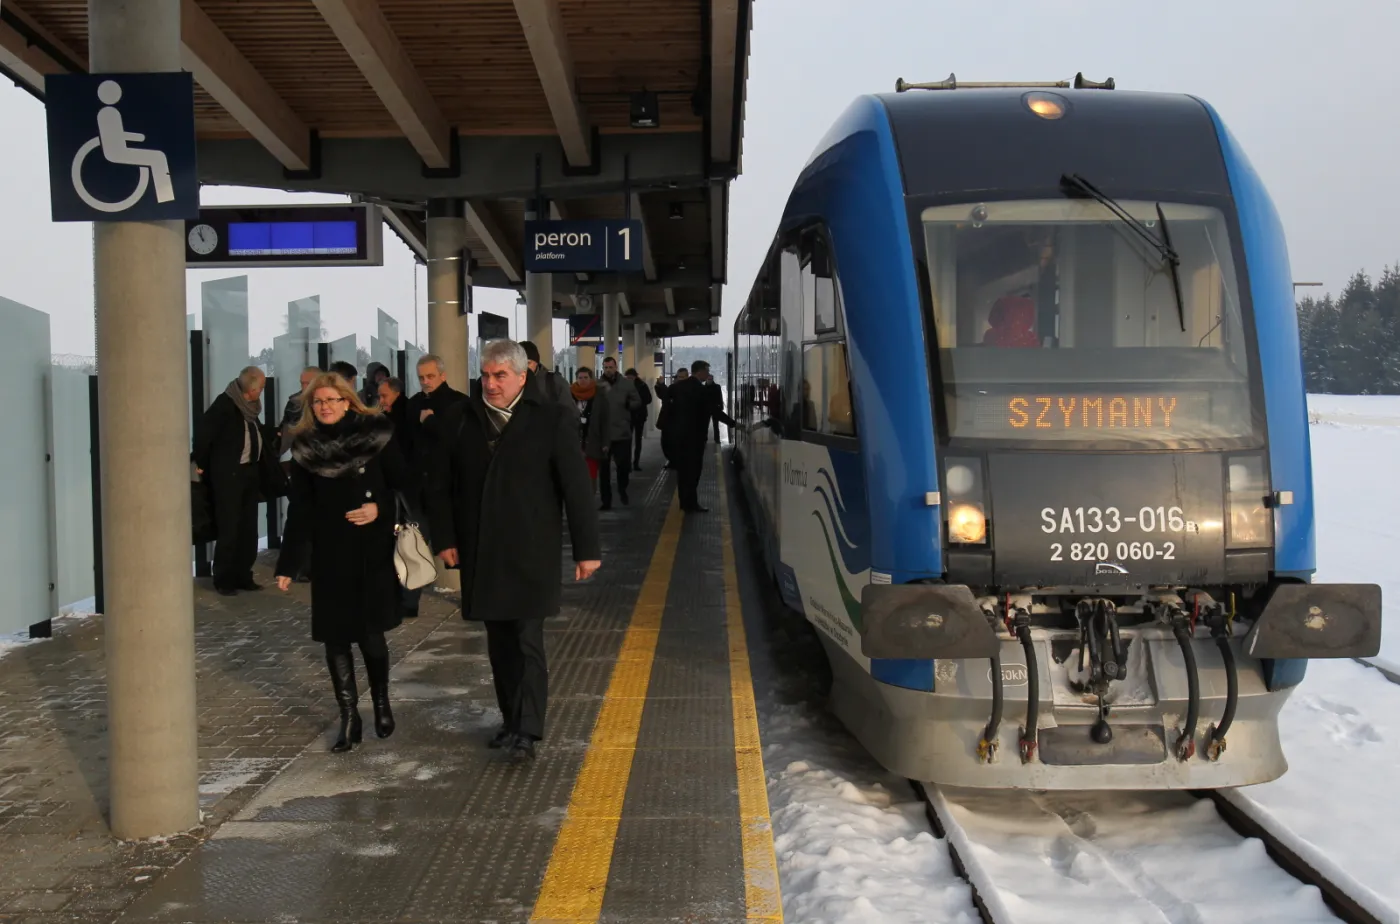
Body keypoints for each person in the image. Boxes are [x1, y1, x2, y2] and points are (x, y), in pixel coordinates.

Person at [428, 339, 601, 763]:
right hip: (481, 547)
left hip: (531, 548)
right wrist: (445, 539)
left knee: (527, 639)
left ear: (522, 377)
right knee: (498, 640)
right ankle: (510, 721)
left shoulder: (551, 419)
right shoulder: (460, 419)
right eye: (485, 375)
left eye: (500, 376)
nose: (490, 384)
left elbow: (575, 487)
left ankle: (527, 728)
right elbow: (439, 486)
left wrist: (587, 549)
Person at [274, 372, 411, 752]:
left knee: (370, 634)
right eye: (318, 402)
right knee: (335, 637)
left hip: (371, 550)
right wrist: (288, 564)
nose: (325, 407)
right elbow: (300, 510)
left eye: (333, 400)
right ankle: (348, 716)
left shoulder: (377, 435)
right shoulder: (305, 447)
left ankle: (381, 701)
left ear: (349, 401)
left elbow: (404, 482)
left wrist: (378, 509)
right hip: (330, 552)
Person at [193, 366, 282, 595]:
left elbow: (258, 434)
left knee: (248, 528)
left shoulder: (250, 409)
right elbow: (204, 437)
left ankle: (243, 575)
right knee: (229, 527)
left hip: (250, 474)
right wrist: (203, 465)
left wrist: (279, 433)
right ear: (251, 390)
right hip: (229, 477)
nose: (262, 391)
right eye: (261, 388)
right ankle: (223, 579)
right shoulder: (224, 406)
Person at [665, 360, 738, 513]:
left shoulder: (676, 387)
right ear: (699, 372)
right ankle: (691, 503)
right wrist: (733, 424)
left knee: (683, 471)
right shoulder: (701, 390)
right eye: (706, 371)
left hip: (679, 436)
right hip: (695, 438)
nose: (708, 374)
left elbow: (668, 411)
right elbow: (714, 411)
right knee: (693, 471)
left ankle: (684, 501)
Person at [597, 355, 641, 509]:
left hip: (622, 432)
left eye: (611, 367)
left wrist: (628, 404)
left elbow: (638, 401)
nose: (608, 370)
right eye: (606, 367)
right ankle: (606, 501)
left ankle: (622, 489)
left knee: (623, 466)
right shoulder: (598, 385)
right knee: (604, 470)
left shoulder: (627, 384)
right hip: (604, 435)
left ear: (616, 367)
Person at [571, 366, 609, 492]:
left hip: (593, 440)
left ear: (591, 379)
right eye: (580, 378)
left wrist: (605, 442)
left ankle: (590, 500)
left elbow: (605, 420)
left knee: (591, 473)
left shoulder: (599, 395)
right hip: (574, 441)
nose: (582, 380)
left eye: (585, 377)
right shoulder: (570, 394)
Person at [521, 340, 578, 423]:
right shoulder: (509, 383)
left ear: (536, 363)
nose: (524, 367)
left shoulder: (554, 382)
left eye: (528, 363)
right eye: (520, 363)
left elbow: (570, 413)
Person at [624, 368, 653, 469]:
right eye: (628, 378)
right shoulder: (624, 386)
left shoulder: (642, 385)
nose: (629, 380)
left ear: (635, 376)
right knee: (627, 440)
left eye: (631, 378)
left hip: (639, 415)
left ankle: (636, 463)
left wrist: (637, 402)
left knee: (637, 440)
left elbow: (648, 399)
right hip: (628, 416)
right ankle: (627, 462)